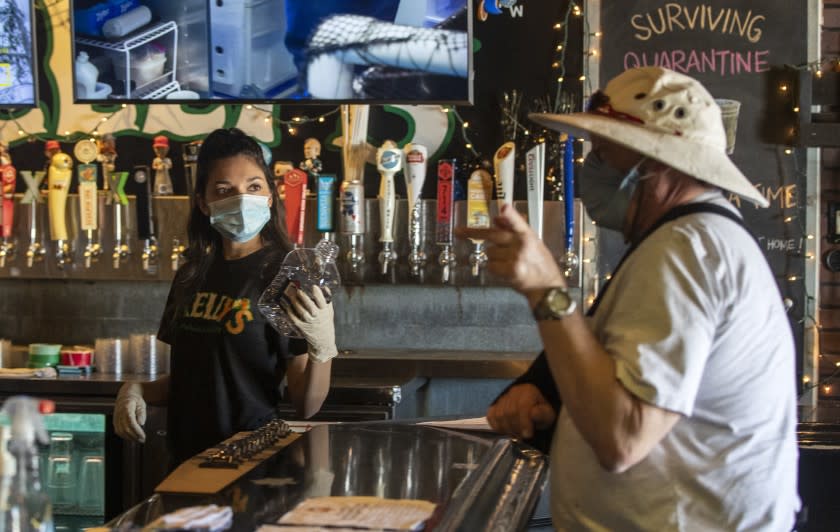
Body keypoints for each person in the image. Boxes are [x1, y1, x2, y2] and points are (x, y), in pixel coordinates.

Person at [457, 67, 800, 530]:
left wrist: (547, 289)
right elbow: (629, 386)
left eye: (603, 153)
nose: (591, 167)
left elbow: (623, 436)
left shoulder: (685, 251)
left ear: (653, 161)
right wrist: (552, 402)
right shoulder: (690, 239)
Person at [114, 128, 337, 467]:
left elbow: (305, 405)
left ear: (271, 195)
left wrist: (322, 348)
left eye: (254, 186)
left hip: (252, 462)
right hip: (187, 460)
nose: (243, 198)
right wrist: (137, 389)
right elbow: (194, 378)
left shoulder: (286, 277)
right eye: (224, 189)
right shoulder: (192, 274)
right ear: (204, 202)